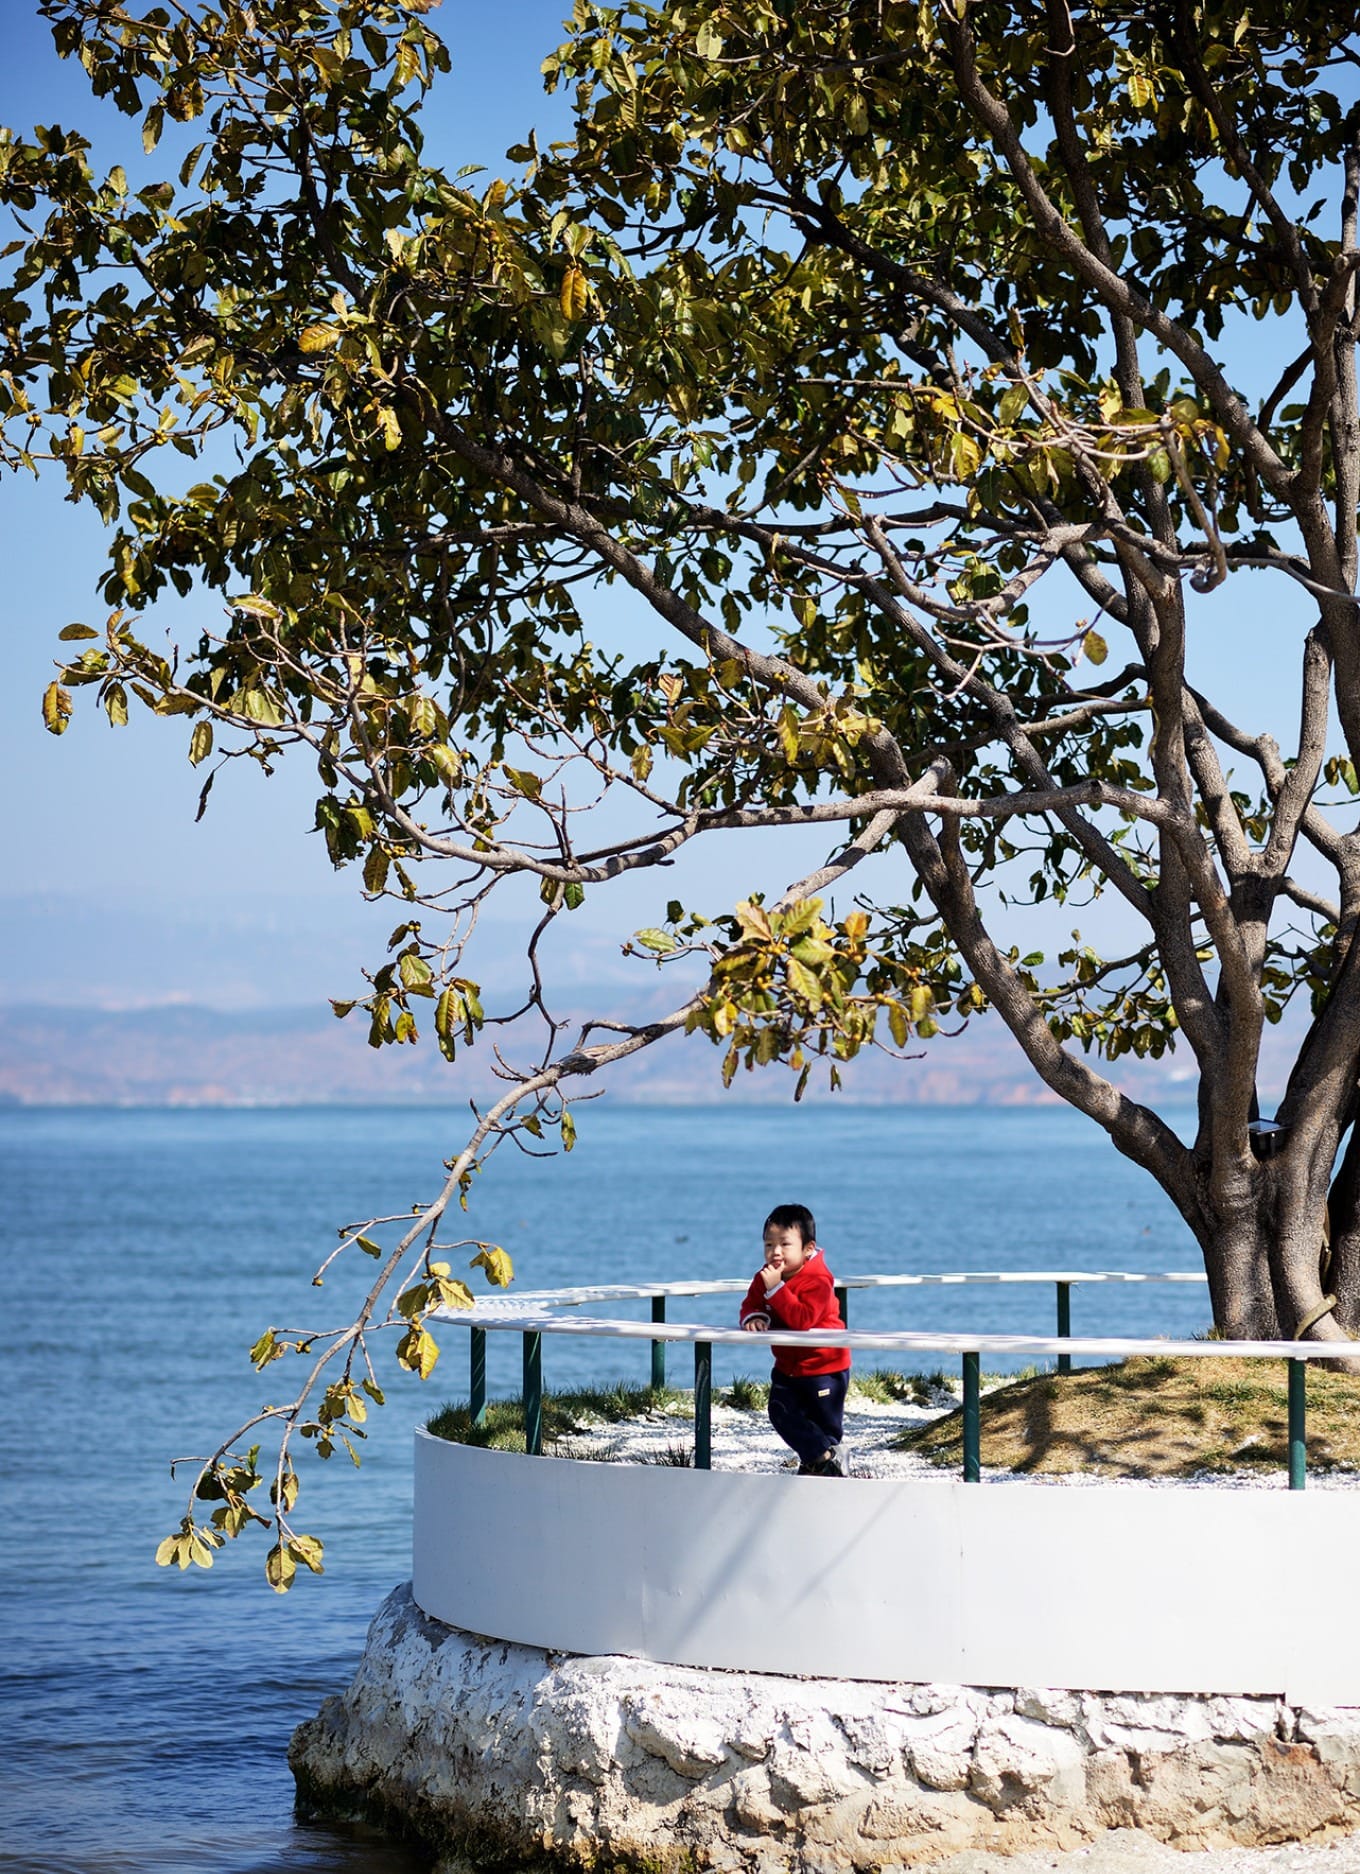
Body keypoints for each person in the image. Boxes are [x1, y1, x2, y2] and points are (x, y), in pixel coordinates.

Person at [740, 1202, 850, 1477]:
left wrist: (776, 1288)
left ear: (807, 1248)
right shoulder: (765, 1277)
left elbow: (803, 1319)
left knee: (824, 1427)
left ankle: (821, 1466)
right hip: (787, 1367)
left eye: (784, 1245)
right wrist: (756, 1317)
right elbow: (751, 1303)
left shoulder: (819, 1280)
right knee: (780, 1412)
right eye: (768, 1245)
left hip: (825, 1367)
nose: (775, 1252)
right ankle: (824, 1461)